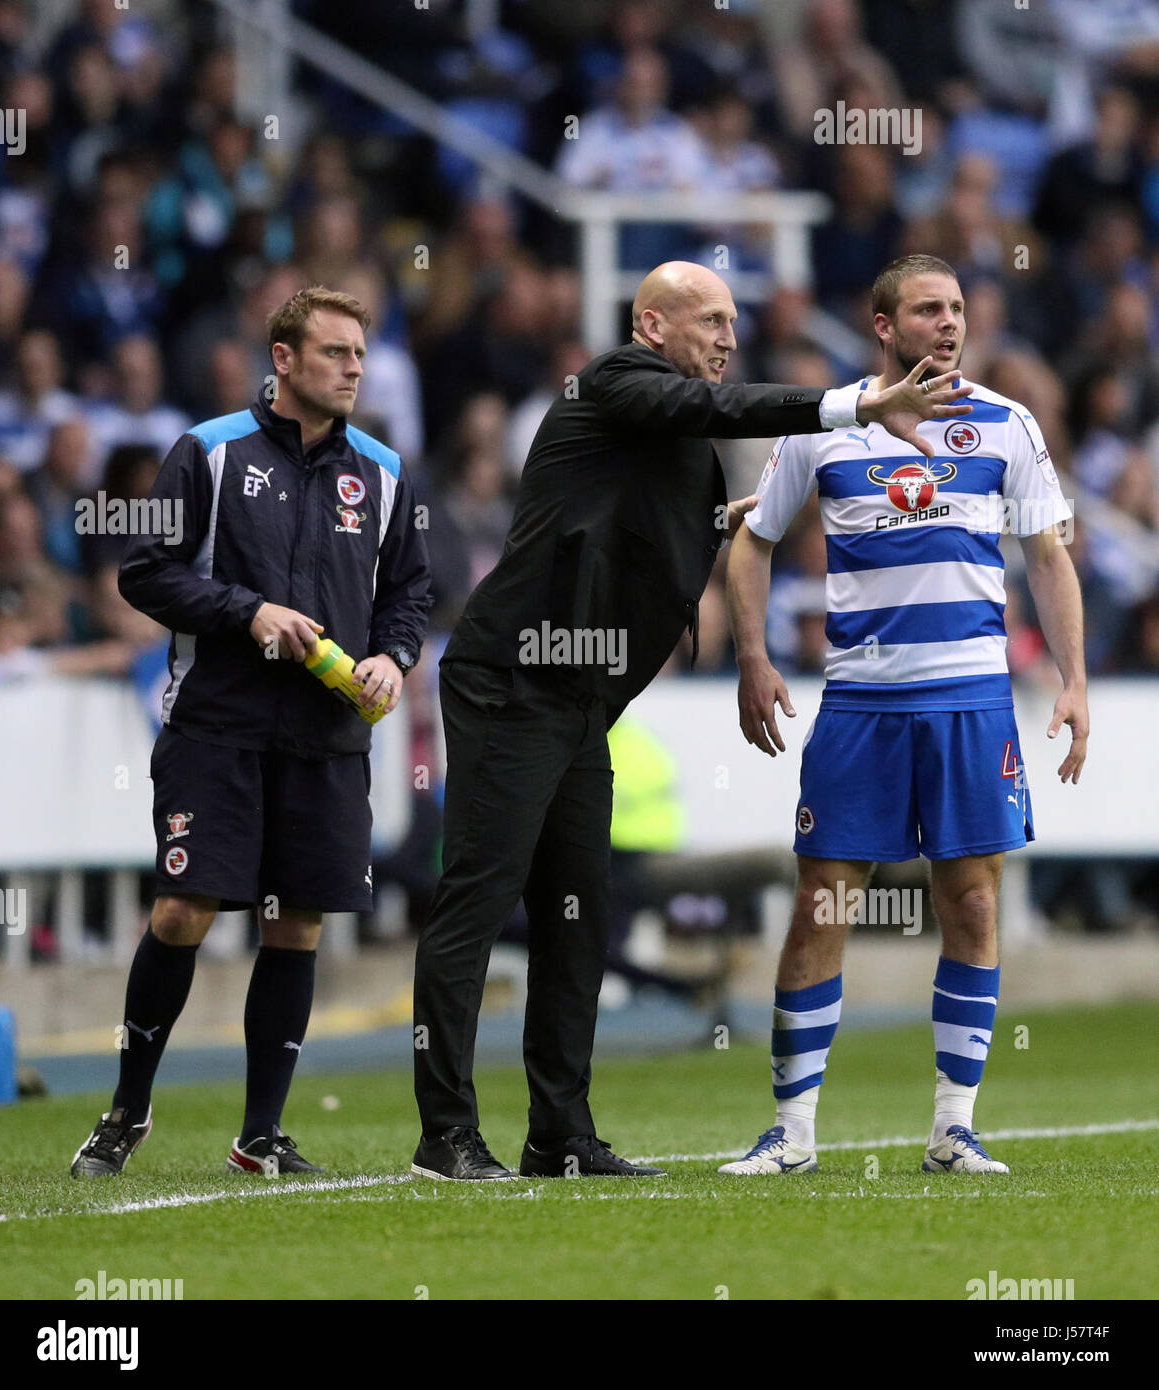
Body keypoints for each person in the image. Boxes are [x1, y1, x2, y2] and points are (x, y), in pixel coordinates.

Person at [410, 260, 974, 1182]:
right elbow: (698, 414)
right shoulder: (615, 383)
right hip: (514, 677)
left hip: (578, 699)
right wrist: (855, 407)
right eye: (708, 318)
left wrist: (729, 516)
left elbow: (648, 515)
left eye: (733, 320)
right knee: (480, 895)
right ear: (651, 326)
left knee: (579, 915)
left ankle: (558, 1134)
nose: (728, 335)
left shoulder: (678, 437)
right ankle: (446, 1133)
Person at [720, 254, 1088, 1178]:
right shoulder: (830, 423)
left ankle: (953, 1127)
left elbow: (1048, 556)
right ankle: (793, 1133)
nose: (950, 323)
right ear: (883, 326)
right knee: (824, 902)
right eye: (929, 310)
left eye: (957, 308)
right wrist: (754, 656)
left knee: (970, 903)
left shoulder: (1008, 426)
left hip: (971, 702)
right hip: (860, 705)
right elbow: (752, 540)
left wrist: (1075, 679)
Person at [69, 286, 431, 1179]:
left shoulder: (382, 469)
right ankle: (126, 1112)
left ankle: (260, 1134)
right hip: (217, 728)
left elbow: (409, 592)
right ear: (283, 359)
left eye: (359, 353)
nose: (354, 368)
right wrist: (249, 612)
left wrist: (393, 657)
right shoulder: (207, 450)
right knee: (183, 910)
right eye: (335, 353)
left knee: (296, 926)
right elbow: (144, 574)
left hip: (327, 737)